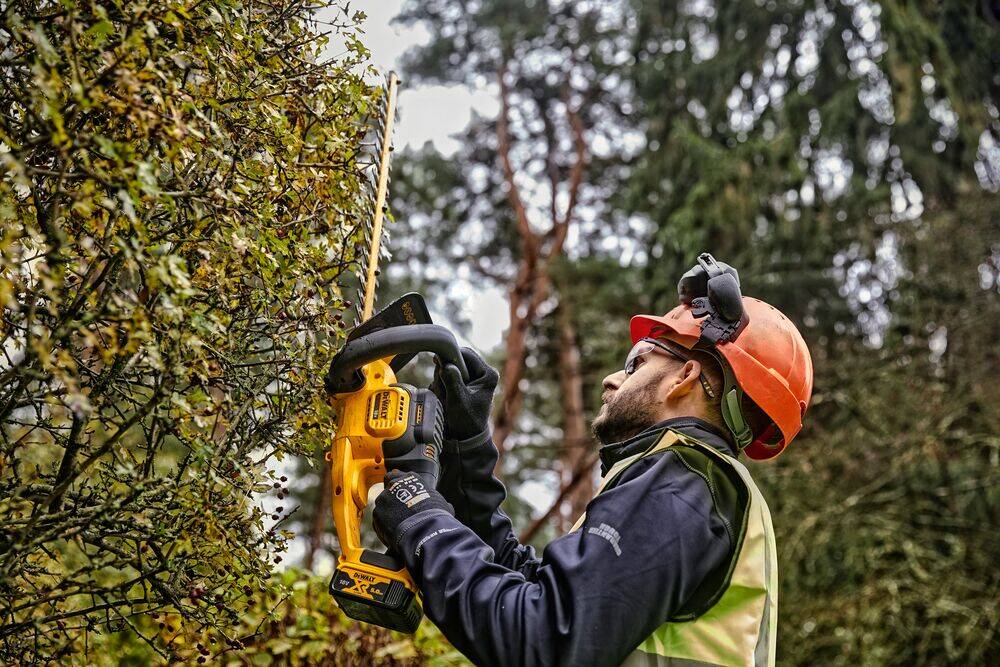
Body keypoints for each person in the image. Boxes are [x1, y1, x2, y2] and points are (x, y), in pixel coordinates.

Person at [372, 255, 813, 667]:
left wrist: (421, 519)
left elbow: (544, 641)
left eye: (637, 360)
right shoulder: (700, 490)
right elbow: (532, 591)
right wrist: (465, 449)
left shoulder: (682, 483)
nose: (612, 378)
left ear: (685, 377)